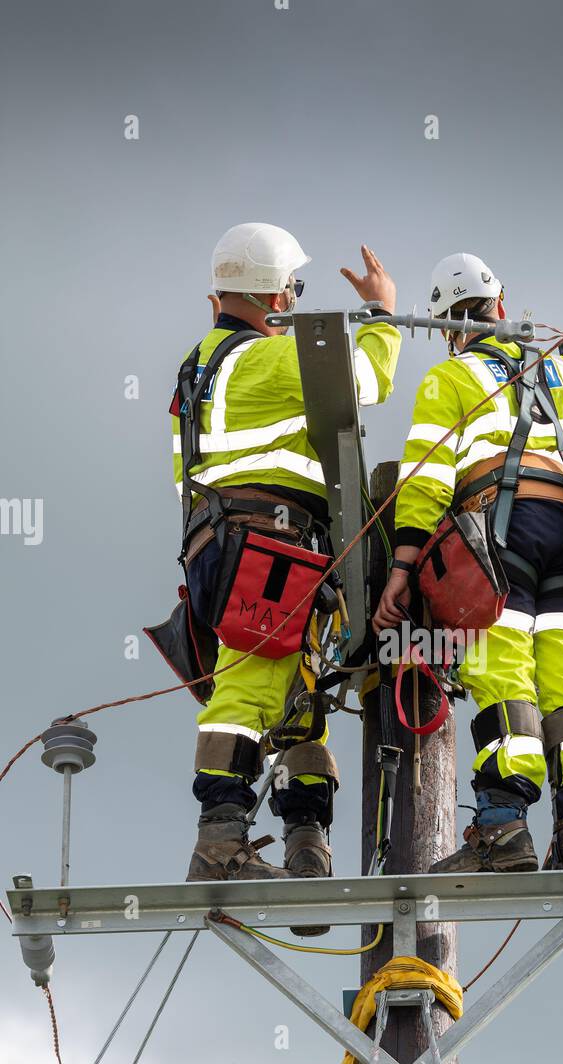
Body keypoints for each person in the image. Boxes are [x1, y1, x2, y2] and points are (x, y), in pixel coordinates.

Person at [373, 252, 563, 872]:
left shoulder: (453, 380)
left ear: (447, 329)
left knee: (503, 671)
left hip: (502, 531)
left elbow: (424, 481)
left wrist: (402, 566)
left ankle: (504, 826)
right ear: (501, 308)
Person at [174, 223, 400, 890]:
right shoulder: (267, 359)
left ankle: (307, 841)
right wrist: (384, 316)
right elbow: (362, 380)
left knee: (294, 690)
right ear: (273, 295)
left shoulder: (198, 369)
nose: (295, 301)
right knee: (253, 686)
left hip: (222, 543)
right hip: (268, 542)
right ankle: (221, 843)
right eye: (293, 289)